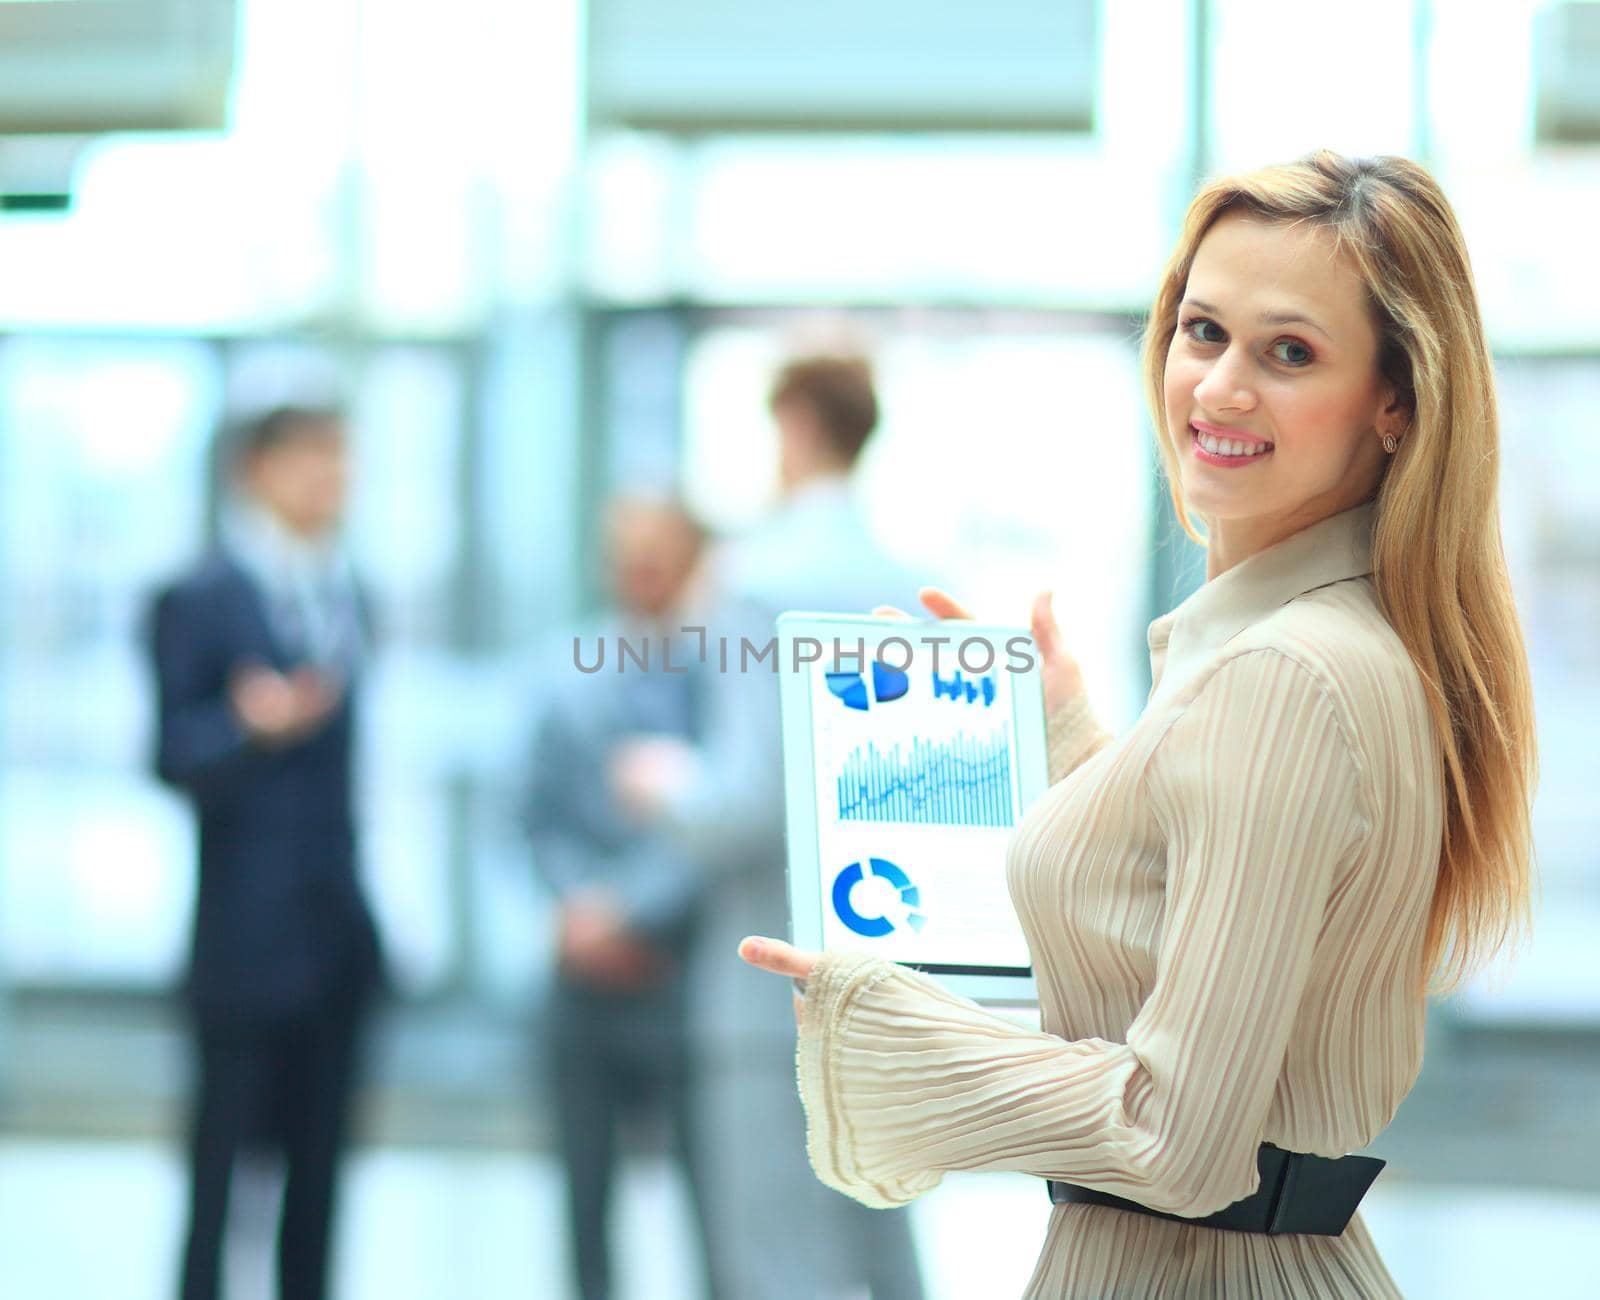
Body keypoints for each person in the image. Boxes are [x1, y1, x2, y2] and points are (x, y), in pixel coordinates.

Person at [738, 151, 1538, 1298]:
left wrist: (880, 1024)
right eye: (1202, 331)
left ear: (1396, 402)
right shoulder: (1328, 646)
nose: (1217, 389)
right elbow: (1217, 922)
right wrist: (1069, 736)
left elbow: (1178, 1135)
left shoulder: (1285, 676)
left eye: (1289, 352)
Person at [612, 354, 927, 1299]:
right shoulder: (913, 585)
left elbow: (743, 803)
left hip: (764, 991)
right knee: (882, 1249)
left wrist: (660, 781)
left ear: (792, 425)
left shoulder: (753, 579)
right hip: (882, 980)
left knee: (778, 1265)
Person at [149, 407, 383, 1300]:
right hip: (243, 945)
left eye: (341, 457)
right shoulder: (200, 596)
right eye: (316, 458)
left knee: (319, 1183)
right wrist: (246, 728)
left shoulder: (347, 592)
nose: (334, 479)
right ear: (258, 469)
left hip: (336, 941)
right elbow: (172, 753)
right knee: (218, 1183)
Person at [520, 496, 718, 1300]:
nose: (640, 565)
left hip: (687, 975)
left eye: (657, 548)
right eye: (624, 548)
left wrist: (631, 912)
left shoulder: (727, 672)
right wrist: (580, 911)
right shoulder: (562, 671)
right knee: (583, 1199)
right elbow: (532, 815)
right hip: (583, 976)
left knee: (714, 1204)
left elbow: (722, 817)